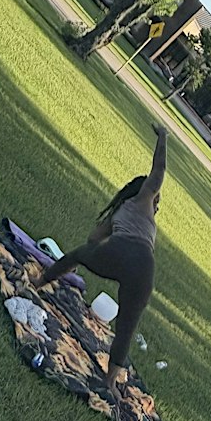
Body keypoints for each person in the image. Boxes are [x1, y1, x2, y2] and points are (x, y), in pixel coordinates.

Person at [35, 124, 168, 393]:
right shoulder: (143, 199)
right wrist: (163, 137)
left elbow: (92, 241)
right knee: (126, 326)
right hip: (143, 266)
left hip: (118, 252)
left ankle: (39, 281)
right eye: (157, 199)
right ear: (146, 193)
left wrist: (93, 255)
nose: (157, 204)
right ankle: (110, 382)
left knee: (79, 255)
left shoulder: (120, 211)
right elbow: (159, 171)